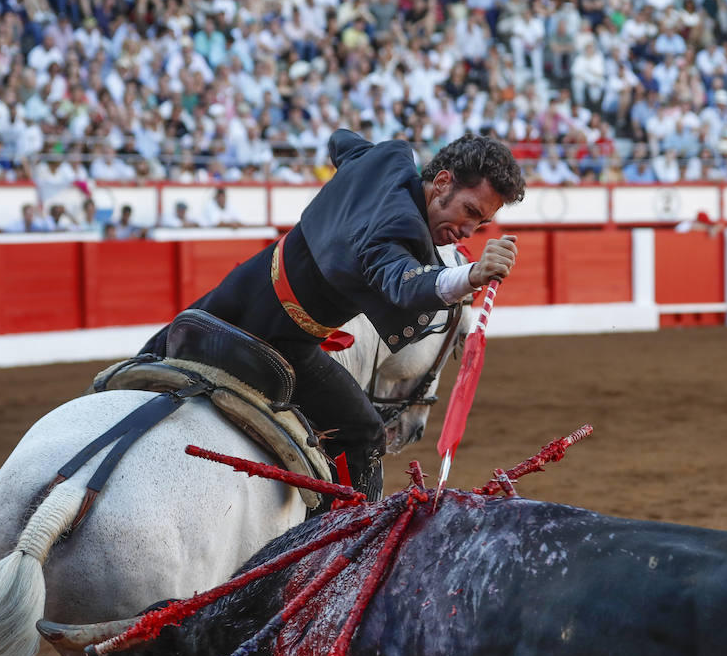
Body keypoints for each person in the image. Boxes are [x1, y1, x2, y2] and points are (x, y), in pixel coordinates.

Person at [140, 129, 526, 499]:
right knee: (365, 434)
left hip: (234, 296)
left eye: (481, 223)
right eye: (469, 211)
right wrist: (472, 274)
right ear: (442, 182)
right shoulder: (402, 229)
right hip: (284, 344)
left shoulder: (388, 158)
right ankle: (333, 538)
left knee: (145, 361)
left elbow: (341, 140)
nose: (468, 231)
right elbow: (403, 284)